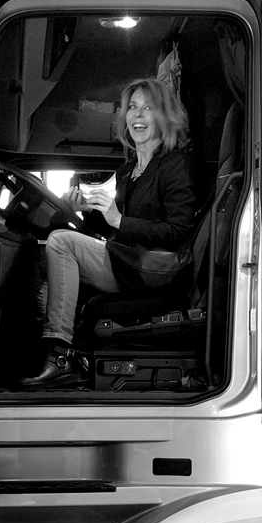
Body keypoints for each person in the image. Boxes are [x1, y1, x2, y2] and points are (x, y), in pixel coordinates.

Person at [21, 76, 197, 388]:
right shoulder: (130, 169)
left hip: (151, 271)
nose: (137, 115)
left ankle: (60, 355)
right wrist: (84, 211)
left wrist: (118, 220)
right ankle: (31, 349)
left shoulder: (175, 165)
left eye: (148, 108)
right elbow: (114, 226)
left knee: (61, 243)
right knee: (39, 253)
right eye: (132, 107)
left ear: (164, 116)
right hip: (127, 260)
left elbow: (178, 231)